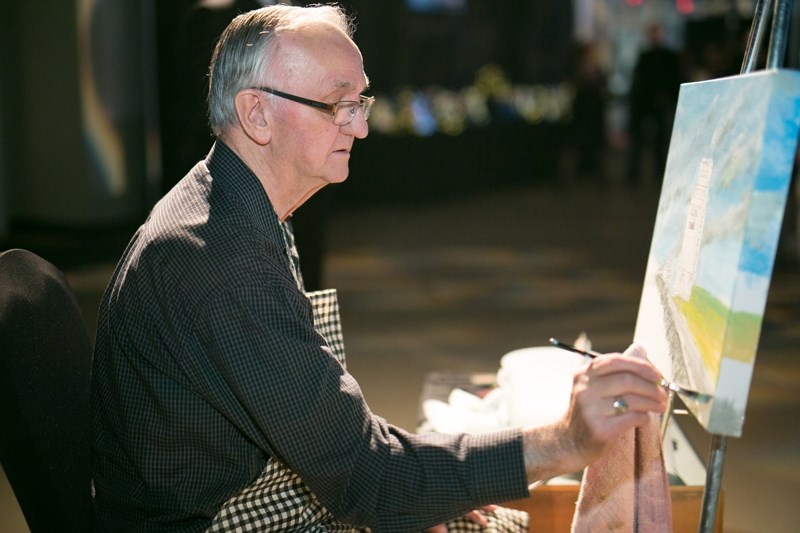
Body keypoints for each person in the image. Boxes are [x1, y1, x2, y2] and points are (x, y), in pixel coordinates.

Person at [90, 5, 668, 532]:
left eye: (359, 102)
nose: (360, 127)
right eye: (337, 105)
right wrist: (566, 440)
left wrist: (432, 485)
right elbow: (369, 480)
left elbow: (334, 430)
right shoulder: (221, 265)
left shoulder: (231, 204)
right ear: (256, 113)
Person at [626, 23, 683, 187]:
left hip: (657, 103)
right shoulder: (647, 56)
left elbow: (673, 78)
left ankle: (657, 172)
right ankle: (637, 173)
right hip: (646, 103)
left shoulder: (665, 56)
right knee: (641, 141)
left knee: (658, 142)